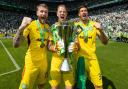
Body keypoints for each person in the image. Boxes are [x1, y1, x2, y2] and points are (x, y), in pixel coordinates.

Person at [13, 3, 50, 89]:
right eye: (41, 11)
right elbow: (16, 45)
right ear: (37, 13)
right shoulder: (30, 25)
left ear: (47, 14)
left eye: (45, 12)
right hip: (31, 63)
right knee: (25, 87)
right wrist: (20, 29)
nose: (43, 14)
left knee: (41, 85)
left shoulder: (48, 27)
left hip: (44, 63)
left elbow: (48, 46)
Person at [74, 5, 108, 89]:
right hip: (80, 58)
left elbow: (105, 42)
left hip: (92, 58)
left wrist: (100, 30)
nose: (84, 12)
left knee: (99, 85)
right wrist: (75, 44)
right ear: (79, 14)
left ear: (87, 13)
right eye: (81, 11)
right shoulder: (75, 26)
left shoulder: (94, 25)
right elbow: (75, 42)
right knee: (81, 86)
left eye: (85, 10)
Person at [48, 4, 78, 89]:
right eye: (60, 11)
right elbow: (49, 46)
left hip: (69, 60)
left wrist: (76, 46)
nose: (62, 13)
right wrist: (54, 47)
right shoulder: (52, 27)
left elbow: (77, 42)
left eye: (64, 12)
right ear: (57, 13)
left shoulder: (72, 26)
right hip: (56, 61)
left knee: (69, 86)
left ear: (66, 14)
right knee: (54, 86)